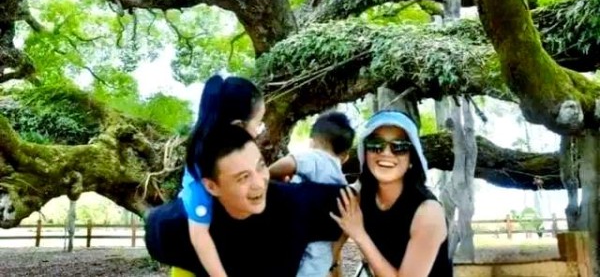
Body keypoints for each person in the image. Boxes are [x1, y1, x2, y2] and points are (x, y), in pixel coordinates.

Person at [145, 125, 347, 277]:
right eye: (243, 177)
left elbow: (356, 204)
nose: (259, 183)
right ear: (211, 186)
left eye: (260, 166)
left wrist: (337, 257)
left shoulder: (295, 205)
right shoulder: (172, 227)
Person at [330, 110, 453, 277]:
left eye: (399, 146)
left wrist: (359, 234)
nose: (386, 153)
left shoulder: (428, 212)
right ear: (365, 154)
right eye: (376, 144)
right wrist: (332, 266)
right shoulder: (360, 197)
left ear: (411, 159)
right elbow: (328, 253)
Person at [174, 74, 266, 277]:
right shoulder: (204, 166)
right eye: (258, 124)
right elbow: (199, 235)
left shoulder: (231, 156)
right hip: (194, 264)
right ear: (239, 126)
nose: (259, 132)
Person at [269, 111, 356, 277]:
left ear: (312, 142)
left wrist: (266, 176)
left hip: (298, 251)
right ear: (345, 156)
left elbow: (288, 163)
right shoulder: (343, 184)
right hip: (320, 260)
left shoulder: (315, 158)